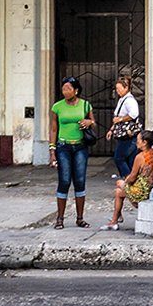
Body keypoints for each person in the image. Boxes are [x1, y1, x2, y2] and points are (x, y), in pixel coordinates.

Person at [50, 77, 95, 229]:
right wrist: (52, 150)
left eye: (68, 89)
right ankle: (60, 218)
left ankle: (80, 218)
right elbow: (54, 129)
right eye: (63, 89)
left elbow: (93, 122)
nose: (65, 92)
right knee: (64, 181)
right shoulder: (57, 107)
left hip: (80, 147)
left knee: (80, 181)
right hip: (63, 146)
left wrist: (89, 122)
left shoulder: (85, 105)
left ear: (76, 90)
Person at [106, 130, 153, 230]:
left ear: (144, 142)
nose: (136, 142)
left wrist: (125, 182)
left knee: (118, 185)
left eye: (138, 140)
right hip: (150, 188)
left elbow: (132, 177)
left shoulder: (140, 157)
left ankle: (115, 220)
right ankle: (115, 219)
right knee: (118, 191)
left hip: (141, 192)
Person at [107, 76, 142, 180]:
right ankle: (132, 179)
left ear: (126, 88)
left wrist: (120, 119)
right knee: (129, 159)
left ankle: (128, 179)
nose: (117, 91)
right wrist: (112, 129)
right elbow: (117, 116)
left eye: (119, 89)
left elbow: (133, 114)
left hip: (128, 134)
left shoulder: (129, 101)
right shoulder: (123, 99)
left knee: (119, 158)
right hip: (123, 133)